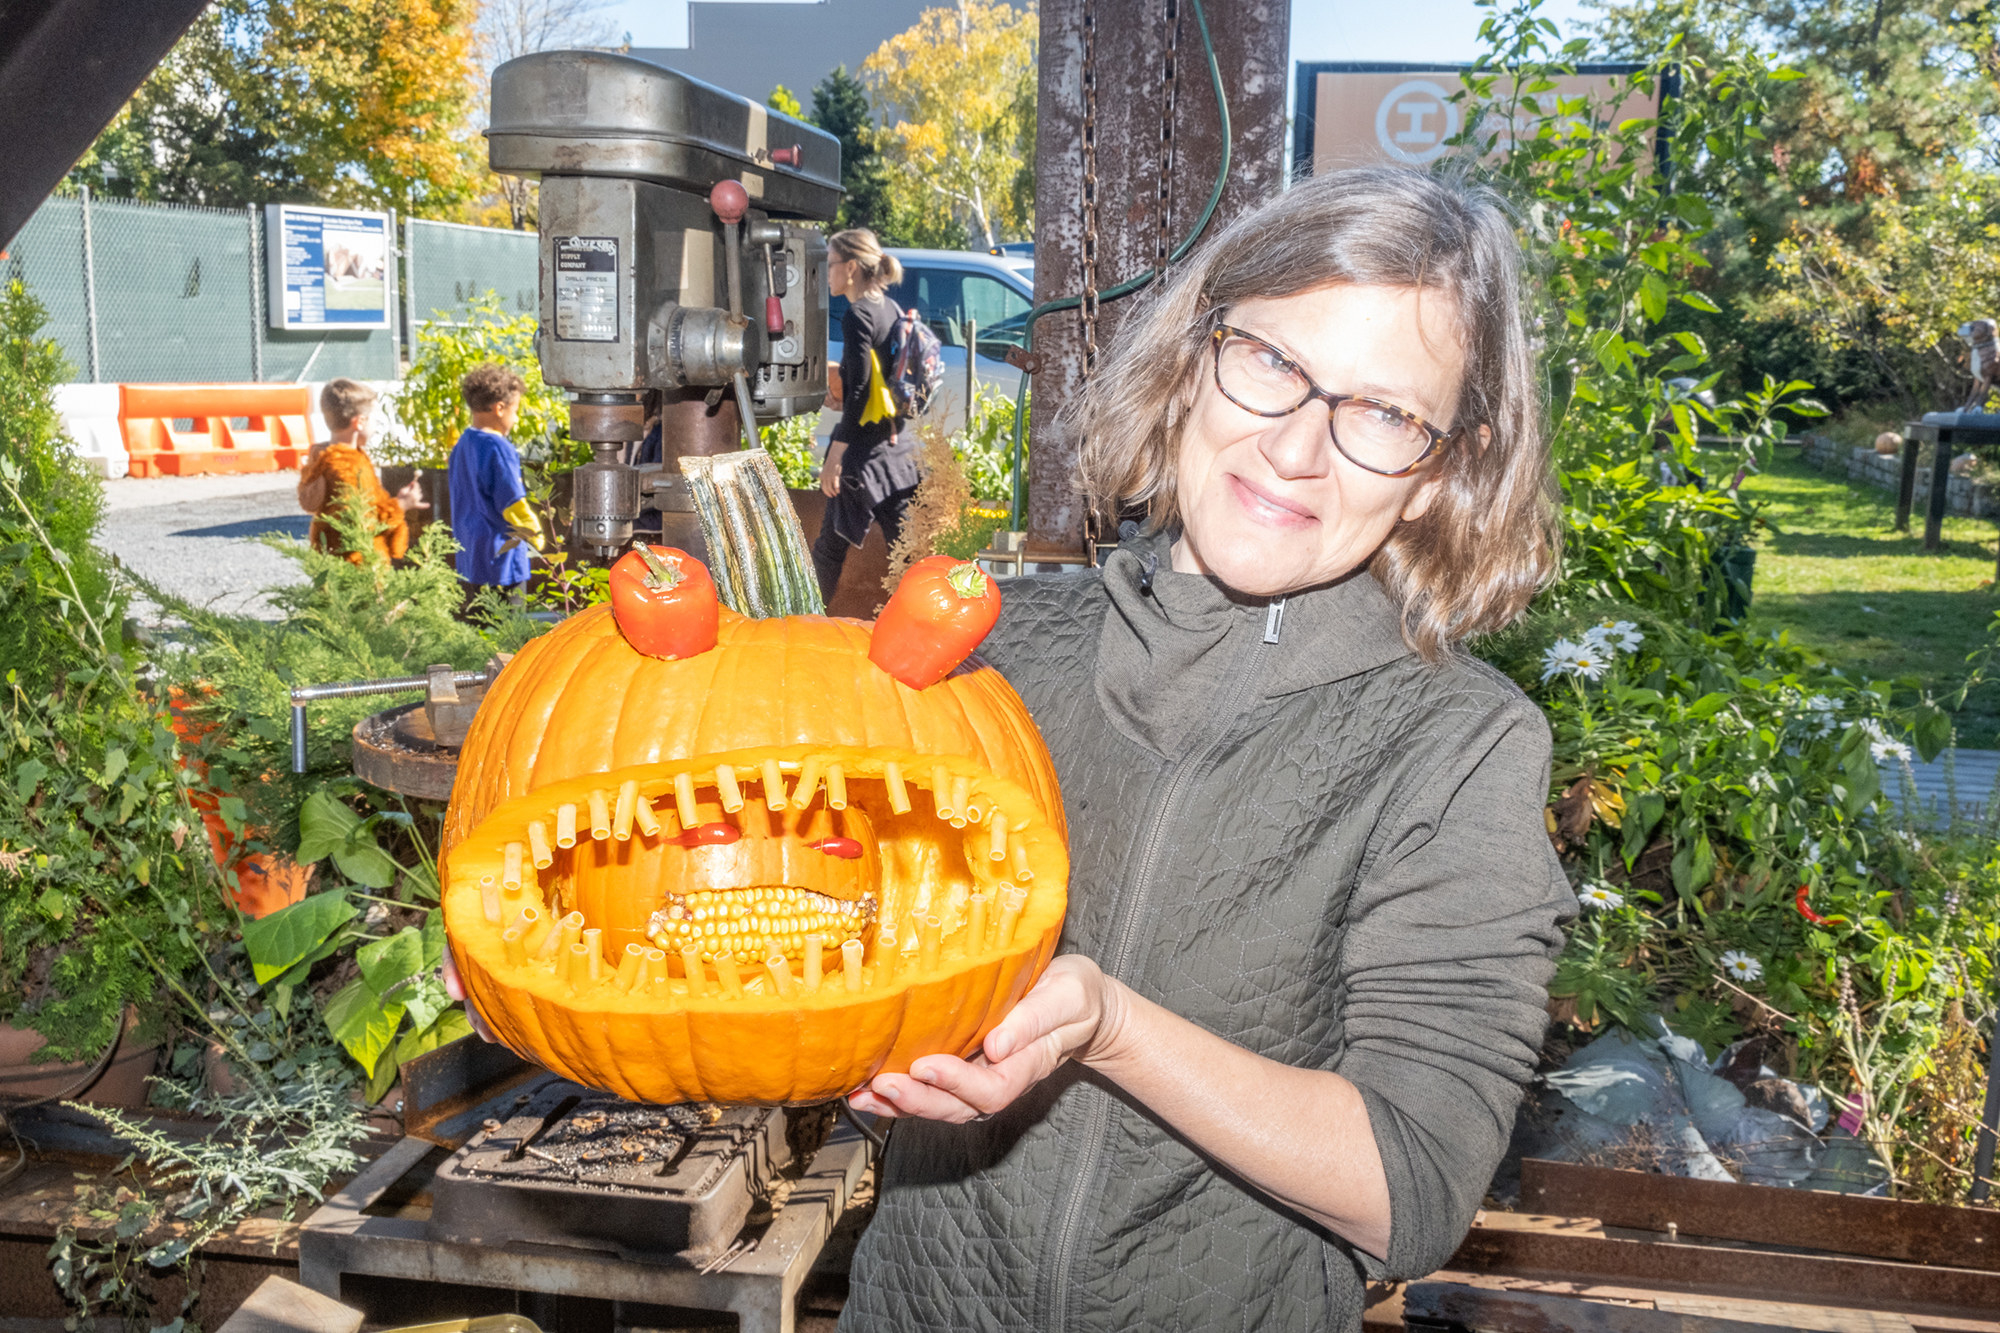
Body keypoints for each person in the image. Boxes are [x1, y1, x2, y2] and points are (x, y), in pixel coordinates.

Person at [835, 167, 1576, 1332]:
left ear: (1441, 470)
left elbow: (1413, 1186)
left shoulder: (1456, 745)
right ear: (1191, 358)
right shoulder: (997, 652)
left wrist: (1112, 1030)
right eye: (1273, 363)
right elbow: (822, 919)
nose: (1296, 449)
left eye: (1381, 414)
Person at [812, 228, 920, 604]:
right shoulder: (888, 308)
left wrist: (836, 455)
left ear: (852, 267)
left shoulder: (857, 315)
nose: (827, 273)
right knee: (907, 555)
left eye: (831, 264)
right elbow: (873, 384)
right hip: (895, 449)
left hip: (863, 457)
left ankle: (803, 622)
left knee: (828, 551)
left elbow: (858, 392)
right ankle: (924, 624)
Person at [296, 378, 425, 563]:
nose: (375, 426)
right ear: (360, 422)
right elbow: (360, 521)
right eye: (373, 419)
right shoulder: (348, 466)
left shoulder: (324, 457)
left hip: (332, 562)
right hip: (356, 566)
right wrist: (402, 505)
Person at [446, 363, 545, 603]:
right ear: (500, 408)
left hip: (470, 559)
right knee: (510, 635)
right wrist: (536, 534)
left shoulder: (462, 444)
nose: (517, 417)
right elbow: (512, 503)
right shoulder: (498, 448)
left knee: (478, 631)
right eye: (516, 409)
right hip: (502, 562)